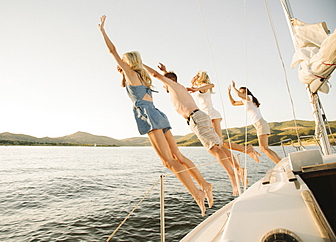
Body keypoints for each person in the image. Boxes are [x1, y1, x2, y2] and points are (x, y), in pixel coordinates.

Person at [98, 15, 213, 216]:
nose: (121, 63)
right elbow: (130, 84)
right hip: (159, 115)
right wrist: (122, 74)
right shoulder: (139, 76)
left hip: (149, 116)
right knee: (178, 156)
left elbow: (112, 51)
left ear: (129, 62)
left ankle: (197, 193)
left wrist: (102, 31)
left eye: (124, 62)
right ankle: (204, 185)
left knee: (168, 162)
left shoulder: (133, 74)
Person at [143, 63, 239, 196]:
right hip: (199, 117)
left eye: (164, 83)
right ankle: (238, 171)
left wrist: (140, 64)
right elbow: (167, 78)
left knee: (214, 149)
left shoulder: (173, 85)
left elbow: (155, 75)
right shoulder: (177, 87)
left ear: (169, 81)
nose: (163, 85)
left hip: (196, 118)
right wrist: (166, 71)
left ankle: (233, 178)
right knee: (220, 146)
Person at [187, 71, 260, 164]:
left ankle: (246, 152)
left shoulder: (204, 86)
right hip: (208, 116)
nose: (194, 77)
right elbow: (193, 89)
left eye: (196, 76)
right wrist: (192, 84)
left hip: (212, 115)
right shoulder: (198, 88)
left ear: (200, 77)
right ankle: (245, 152)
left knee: (221, 144)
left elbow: (211, 85)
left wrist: (195, 88)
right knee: (221, 144)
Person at [228, 81, 281, 164]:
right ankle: (280, 162)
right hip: (259, 124)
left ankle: (279, 163)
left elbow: (238, 95)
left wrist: (233, 87)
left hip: (260, 123)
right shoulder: (245, 101)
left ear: (247, 92)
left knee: (263, 148)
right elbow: (233, 103)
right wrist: (229, 92)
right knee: (265, 148)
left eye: (244, 92)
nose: (242, 94)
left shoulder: (249, 98)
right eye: (241, 92)